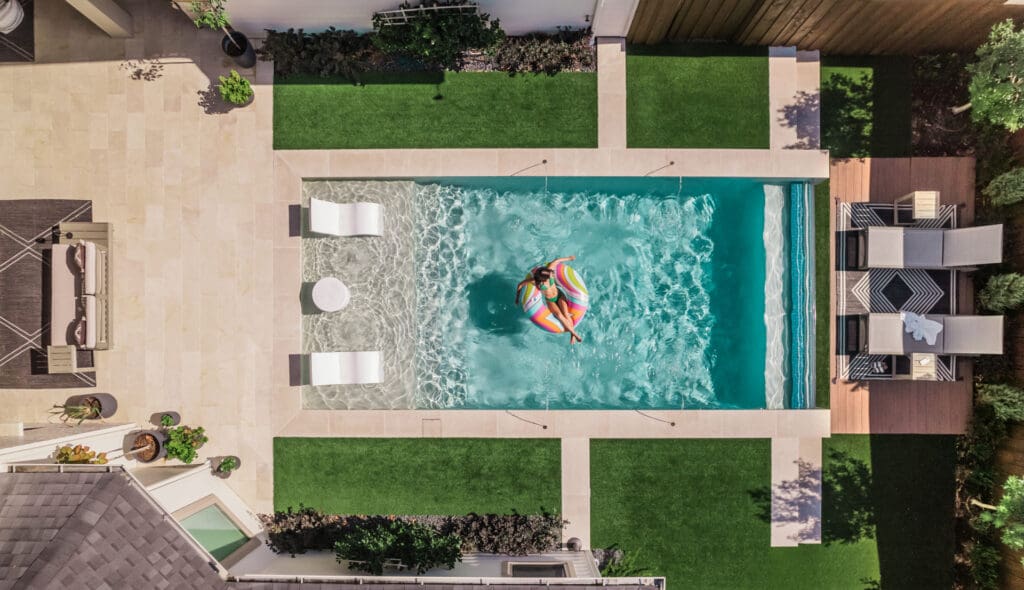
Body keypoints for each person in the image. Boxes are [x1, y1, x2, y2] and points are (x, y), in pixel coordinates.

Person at [516, 255, 583, 345]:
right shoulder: (534, 281)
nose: (544, 282)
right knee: (559, 315)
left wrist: (569, 259)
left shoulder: (549, 272)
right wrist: (517, 297)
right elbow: (520, 285)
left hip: (559, 295)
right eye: (542, 282)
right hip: (550, 300)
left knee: (566, 313)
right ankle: (575, 334)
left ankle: (572, 335)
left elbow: (556, 261)